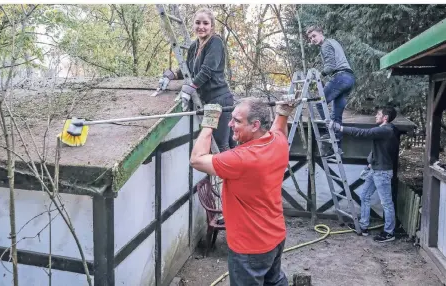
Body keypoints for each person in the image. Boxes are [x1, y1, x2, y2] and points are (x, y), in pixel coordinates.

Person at [189, 95, 300, 285]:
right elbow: (279, 128)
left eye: (237, 121)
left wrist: (208, 123)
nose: (230, 123)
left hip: (249, 246)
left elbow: (196, 159)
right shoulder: (278, 142)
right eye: (231, 118)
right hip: (275, 236)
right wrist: (283, 113)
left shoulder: (241, 158)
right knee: (273, 281)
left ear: (255, 125)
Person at [158, 8, 235, 152]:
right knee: (227, 144)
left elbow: (207, 70)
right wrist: (172, 75)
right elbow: (188, 69)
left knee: (221, 145)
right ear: (193, 25)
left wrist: (191, 87)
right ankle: (233, 174)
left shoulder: (215, 42)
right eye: (197, 23)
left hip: (220, 100)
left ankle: (228, 175)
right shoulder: (194, 46)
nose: (201, 27)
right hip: (209, 101)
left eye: (205, 23)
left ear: (211, 26)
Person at [326, 106, 400, 242]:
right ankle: (363, 226)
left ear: (385, 118)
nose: (375, 116)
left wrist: (339, 127)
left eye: (378, 114)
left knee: (387, 203)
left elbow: (362, 133)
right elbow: (382, 149)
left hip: (382, 172)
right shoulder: (388, 130)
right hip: (375, 169)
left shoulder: (385, 130)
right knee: (364, 195)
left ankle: (389, 232)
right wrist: (371, 161)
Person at [306, 26, 355, 154]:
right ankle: (336, 147)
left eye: (314, 36)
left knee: (320, 104)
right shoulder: (333, 42)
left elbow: (330, 66)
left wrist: (318, 75)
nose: (312, 39)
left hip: (341, 77)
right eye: (310, 38)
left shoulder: (325, 45)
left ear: (321, 33)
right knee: (336, 115)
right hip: (349, 78)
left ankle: (329, 132)